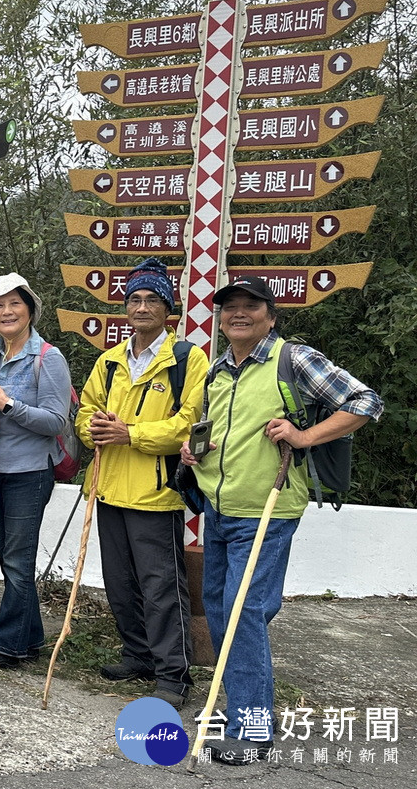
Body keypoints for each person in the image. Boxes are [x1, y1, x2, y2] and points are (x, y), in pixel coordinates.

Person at [180, 276, 382, 765]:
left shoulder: (294, 359)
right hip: (218, 510)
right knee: (226, 613)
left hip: (267, 511)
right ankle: (244, 712)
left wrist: (305, 434)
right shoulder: (219, 371)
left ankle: (252, 729)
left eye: (251, 306)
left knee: (244, 611)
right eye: (230, 308)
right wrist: (195, 451)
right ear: (221, 318)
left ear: (270, 315)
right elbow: (222, 435)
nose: (239, 314)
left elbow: (365, 401)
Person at [75, 257, 209, 707]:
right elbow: (84, 412)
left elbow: (191, 423)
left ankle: (174, 675)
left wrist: (129, 434)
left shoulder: (188, 359)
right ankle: (138, 654)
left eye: (153, 299)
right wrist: (93, 428)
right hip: (108, 487)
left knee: (162, 588)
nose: (143, 306)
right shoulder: (110, 360)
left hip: (156, 494)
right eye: (135, 299)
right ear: (125, 308)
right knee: (119, 583)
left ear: (167, 309)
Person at [0, 274, 71, 669]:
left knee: (18, 561)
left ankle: (5, 645)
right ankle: (30, 636)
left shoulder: (48, 358)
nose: (6, 311)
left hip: (30, 472)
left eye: (14, 303)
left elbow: (55, 422)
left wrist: (6, 404)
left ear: (29, 310)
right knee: (9, 557)